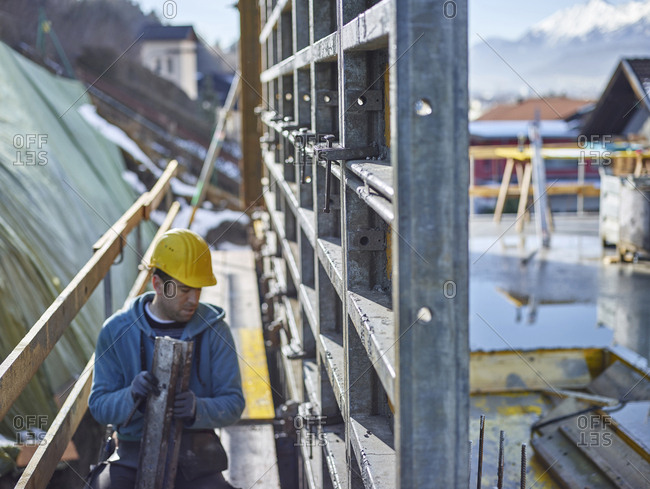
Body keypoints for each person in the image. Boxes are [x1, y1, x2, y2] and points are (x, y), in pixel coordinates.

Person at [87, 228, 245, 489]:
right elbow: (99, 406)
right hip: (132, 449)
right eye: (184, 290)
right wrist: (131, 397)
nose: (193, 299)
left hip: (197, 450)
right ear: (158, 285)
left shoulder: (215, 331)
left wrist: (198, 409)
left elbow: (234, 403)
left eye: (198, 290)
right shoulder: (116, 331)